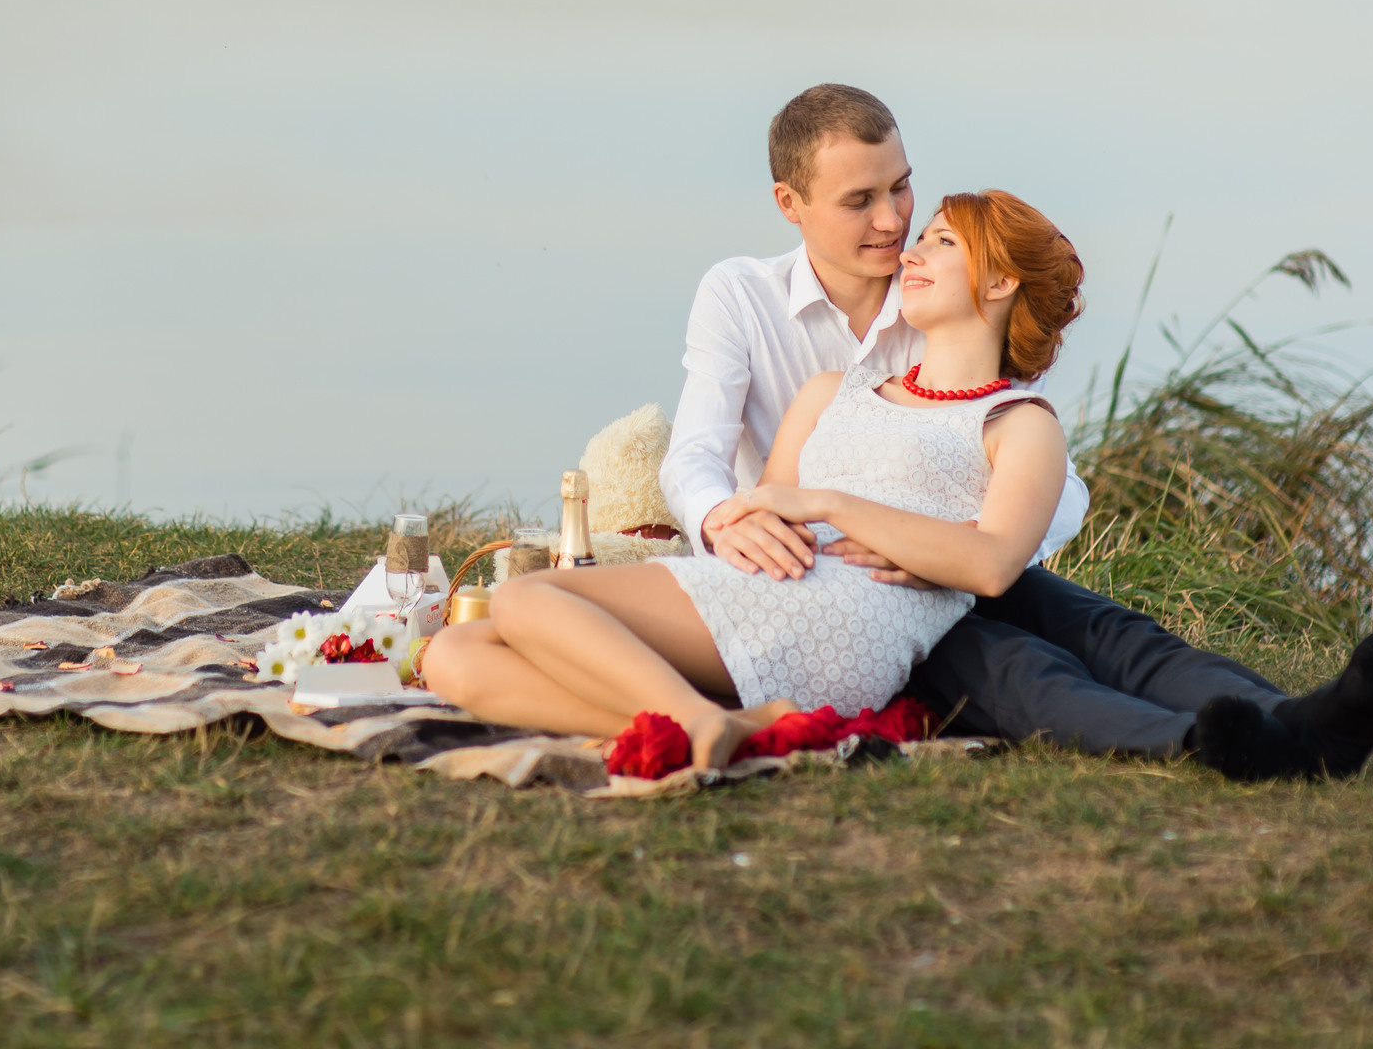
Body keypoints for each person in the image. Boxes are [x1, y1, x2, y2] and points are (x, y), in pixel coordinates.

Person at [650, 84, 1373, 781]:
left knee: (1106, 629)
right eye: (861, 200)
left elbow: (1047, 474)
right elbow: (697, 454)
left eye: (901, 186)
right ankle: (1206, 740)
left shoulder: (941, 296)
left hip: (952, 556)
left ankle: (1304, 720)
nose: (894, 222)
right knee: (1014, 666)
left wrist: (965, 549)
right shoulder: (746, 295)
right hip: (828, 582)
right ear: (791, 201)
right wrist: (723, 522)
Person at [425, 187, 1088, 769]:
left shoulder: (1019, 422)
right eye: (922, 237)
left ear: (1000, 281)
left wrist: (833, 503)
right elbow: (765, 514)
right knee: (453, 655)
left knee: (524, 600)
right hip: (773, 585)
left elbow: (996, 562)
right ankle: (725, 720)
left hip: (855, 620)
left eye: (941, 241)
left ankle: (694, 718)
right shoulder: (831, 391)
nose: (911, 252)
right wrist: (753, 516)